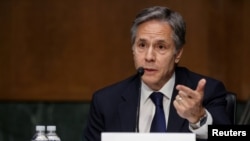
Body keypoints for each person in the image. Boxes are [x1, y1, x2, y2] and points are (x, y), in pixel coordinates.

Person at [83, 6, 232, 141]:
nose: (149, 57)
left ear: (178, 53)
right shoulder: (106, 101)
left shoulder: (208, 92)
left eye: (161, 47)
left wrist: (199, 118)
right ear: (133, 49)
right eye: (142, 45)